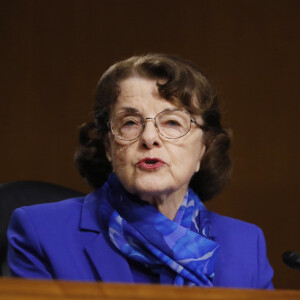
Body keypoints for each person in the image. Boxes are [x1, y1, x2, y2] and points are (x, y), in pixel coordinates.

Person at [7, 54, 273, 288]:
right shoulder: (41, 232)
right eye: (130, 123)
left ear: (204, 148)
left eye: (172, 122)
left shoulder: (246, 245)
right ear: (109, 147)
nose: (149, 138)